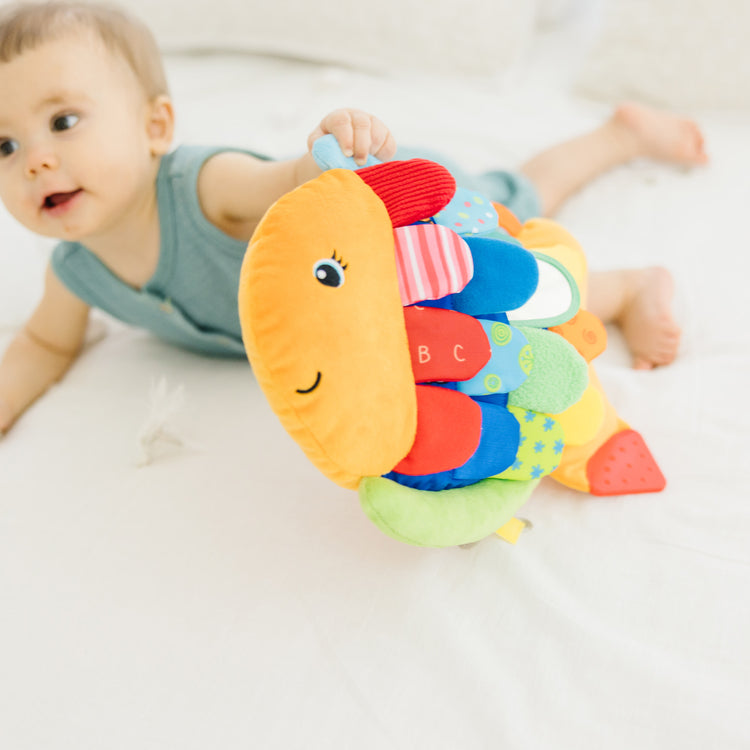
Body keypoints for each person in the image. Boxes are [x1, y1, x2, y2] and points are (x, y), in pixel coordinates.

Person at [0, 1, 707, 435]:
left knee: (516, 223)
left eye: (63, 121)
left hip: (396, 222)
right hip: (351, 308)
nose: (34, 159)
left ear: (155, 126)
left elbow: (287, 183)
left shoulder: (202, 184)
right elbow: (43, 345)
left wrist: (328, 151)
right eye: (4, 144)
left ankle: (623, 241)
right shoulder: (78, 269)